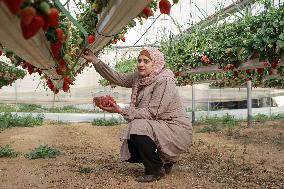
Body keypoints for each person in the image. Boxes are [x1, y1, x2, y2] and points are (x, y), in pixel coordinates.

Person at [82, 47, 193, 182]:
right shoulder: (139, 77)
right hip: (158, 124)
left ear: (156, 63)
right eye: (139, 60)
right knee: (136, 130)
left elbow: (153, 112)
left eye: (146, 61)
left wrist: (121, 110)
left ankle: (154, 169)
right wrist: (95, 60)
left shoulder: (164, 81)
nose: (141, 64)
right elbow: (118, 78)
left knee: (137, 127)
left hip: (175, 128)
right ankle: (165, 160)